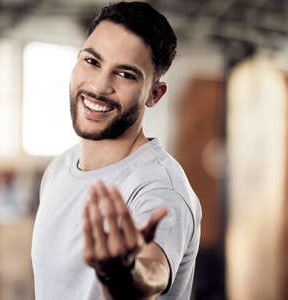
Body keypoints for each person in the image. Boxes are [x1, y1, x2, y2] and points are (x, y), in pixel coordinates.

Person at [31, 2, 202, 299]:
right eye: (92, 62)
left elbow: (153, 271)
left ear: (154, 94)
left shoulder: (161, 188)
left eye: (125, 75)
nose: (99, 86)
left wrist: (123, 271)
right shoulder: (60, 168)